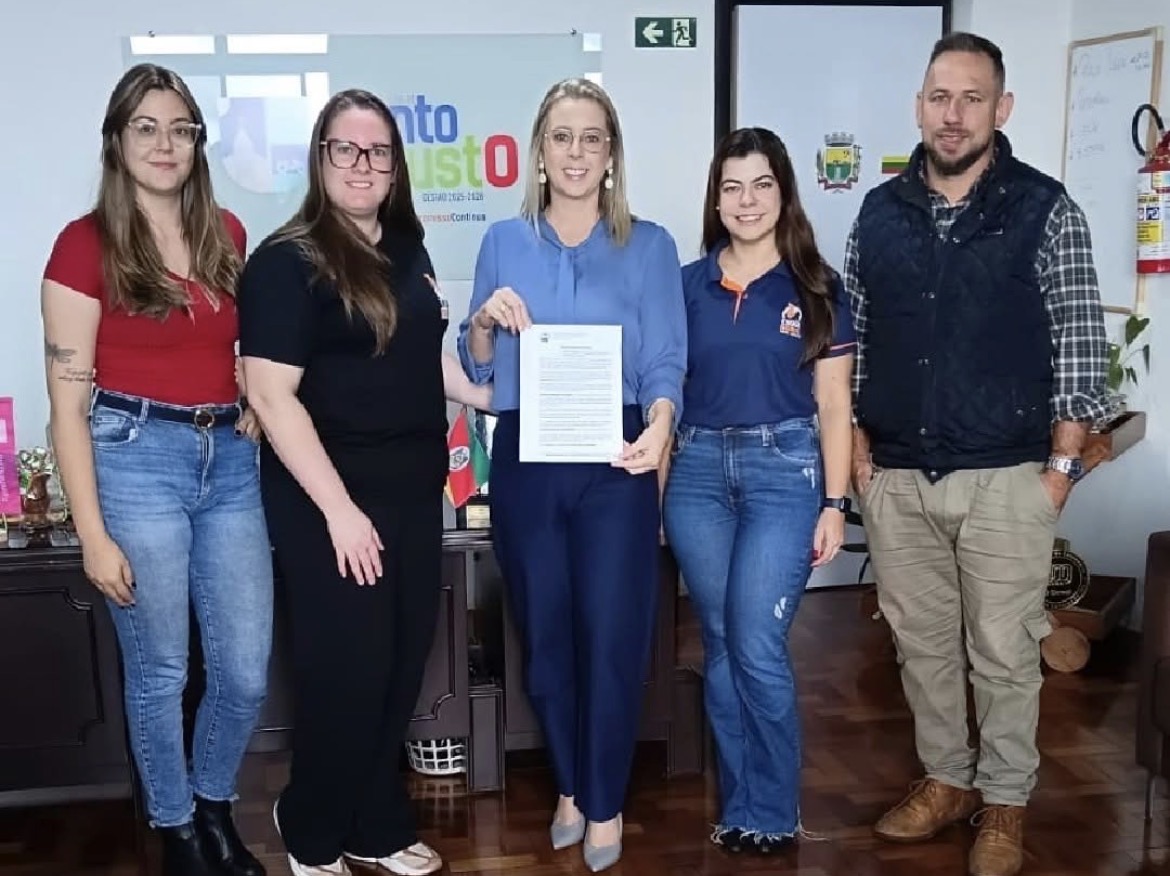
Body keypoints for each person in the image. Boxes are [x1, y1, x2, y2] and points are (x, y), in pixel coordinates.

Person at [845, 32, 1108, 876]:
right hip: (898, 477)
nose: (952, 115)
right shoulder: (878, 213)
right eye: (938, 97)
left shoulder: (1045, 208)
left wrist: (1059, 472)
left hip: (1008, 478)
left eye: (970, 98)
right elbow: (851, 341)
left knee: (1003, 653)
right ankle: (947, 781)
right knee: (921, 647)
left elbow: (1081, 346)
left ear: (1001, 108)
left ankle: (1004, 802)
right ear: (919, 106)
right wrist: (856, 450)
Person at [239, 88, 489, 876]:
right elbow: (270, 396)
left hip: (412, 490)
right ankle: (310, 826)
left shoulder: (408, 248)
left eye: (377, 151)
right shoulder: (286, 261)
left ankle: (374, 822)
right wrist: (340, 512)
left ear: (395, 166)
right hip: (328, 499)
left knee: (400, 664)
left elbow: (420, 354)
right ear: (320, 159)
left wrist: (482, 393)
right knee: (347, 669)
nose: (362, 164)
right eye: (345, 148)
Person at [40, 63, 271, 876]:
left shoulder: (228, 234)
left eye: (180, 128)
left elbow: (236, 347)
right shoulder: (83, 246)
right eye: (146, 127)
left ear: (199, 143)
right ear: (117, 141)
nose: (165, 143)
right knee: (162, 669)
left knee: (243, 671)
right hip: (134, 460)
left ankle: (212, 806)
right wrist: (92, 535)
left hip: (229, 463)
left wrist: (248, 392)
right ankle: (177, 832)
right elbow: (66, 406)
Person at [457, 78, 686, 872]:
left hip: (617, 458)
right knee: (546, 633)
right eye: (562, 137)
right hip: (529, 455)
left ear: (611, 153)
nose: (577, 152)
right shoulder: (502, 242)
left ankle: (605, 798)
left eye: (592, 138)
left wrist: (661, 424)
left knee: (613, 632)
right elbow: (477, 364)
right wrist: (482, 323)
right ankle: (570, 784)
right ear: (540, 152)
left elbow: (664, 358)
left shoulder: (650, 245)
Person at [661, 126, 855, 855]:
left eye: (761, 185)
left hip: (786, 473)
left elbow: (834, 404)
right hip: (697, 475)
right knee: (719, 642)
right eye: (732, 186)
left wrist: (834, 504)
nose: (746, 200)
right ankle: (740, 806)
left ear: (783, 193)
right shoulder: (684, 285)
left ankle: (772, 809)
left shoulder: (817, 285)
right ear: (716, 198)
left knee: (756, 641)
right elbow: (663, 392)